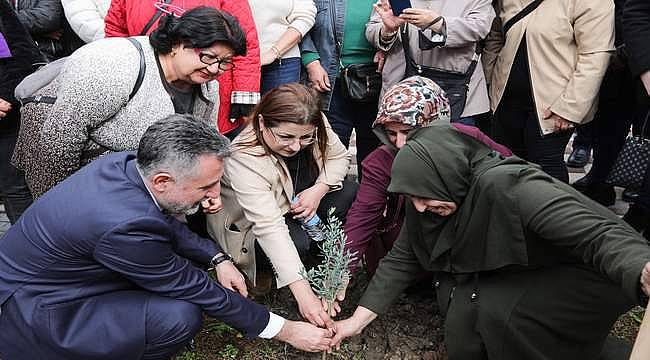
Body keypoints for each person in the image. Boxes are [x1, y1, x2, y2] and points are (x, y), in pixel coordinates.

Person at [0, 114, 333, 360]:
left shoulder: (126, 164)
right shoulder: (124, 227)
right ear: (162, 180)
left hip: (65, 275)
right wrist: (286, 330)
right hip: (38, 308)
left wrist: (216, 257)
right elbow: (195, 287)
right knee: (177, 316)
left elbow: (163, 224)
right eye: (205, 186)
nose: (213, 195)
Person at [332, 123, 650, 359]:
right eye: (411, 197)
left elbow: (597, 235)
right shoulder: (428, 198)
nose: (418, 207)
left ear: (448, 176)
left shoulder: (510, 187)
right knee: (460, 311)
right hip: (515, 269)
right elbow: (402, 259)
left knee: (497, 312)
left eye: (423, 197)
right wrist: (355, 322)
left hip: (577, 272)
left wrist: (641, 268)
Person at [13, 6, 243, 198]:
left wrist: (207, 193)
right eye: (208, 57)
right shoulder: (115, 66)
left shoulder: (206, 83)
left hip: (134, 187)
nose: (214, 68)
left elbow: (202, 144)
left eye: (225, 62)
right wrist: (58, 207)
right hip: (77, 177)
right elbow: (56, 144)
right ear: (176, 44)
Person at [206, 83, 356, 328]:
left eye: (305, 137)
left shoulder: (313, 121)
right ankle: (262, 272)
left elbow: (339, 157)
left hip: (299, 202)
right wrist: (304, 295)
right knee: (297, 243)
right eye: (286, 137)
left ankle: (322, 267)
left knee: (349, 191)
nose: (296, 146)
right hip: (252, 226)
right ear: (263, 123)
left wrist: (319, 190)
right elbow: (269, 227)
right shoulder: (243, 157)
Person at [345, 76, 511, 277]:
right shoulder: (380, 162)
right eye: (391, 133)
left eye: (408, 131)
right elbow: (363, 215)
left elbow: (509, 174)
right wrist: (339, 271)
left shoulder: (468, 140)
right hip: (407, 247)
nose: (399, 143)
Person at [482, 0, 614, 183]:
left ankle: (549, 211)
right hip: (505, 97)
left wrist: (570, 108)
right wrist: (488, 81)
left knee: (545, 167)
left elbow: (595, 55)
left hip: (553, 103)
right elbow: (495, 37)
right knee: (506, 163)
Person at [104, 0, 261, 137]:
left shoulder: (212, 78)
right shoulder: (124, 71)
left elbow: (244, 42)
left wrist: (244, 95)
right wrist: (122, 66)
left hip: (205, 84)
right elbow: (116, 28)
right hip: (145, 77)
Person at [366, 0, 494, 126]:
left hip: (457, 92)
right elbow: (372, 28)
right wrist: (387, 30)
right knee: (400, 145)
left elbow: (481, 27)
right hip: (401, 93)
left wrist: (439, 24)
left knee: (453, 145)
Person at [301, 0, 381, 171]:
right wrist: (311, 62)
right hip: (331, 81)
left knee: (374, 153)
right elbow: (299, 21)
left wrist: (388, 46)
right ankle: (334, 196)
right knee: (332, 148)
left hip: (377, 80)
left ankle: (370, 197)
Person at [0, 0, 44, 224]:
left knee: (14, 187)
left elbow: (24, 56)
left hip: (6, 115)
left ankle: (27, 249)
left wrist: (7, 96)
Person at [247, 0, 316, 94]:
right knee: (241, 108)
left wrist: (274, 52)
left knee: (281, 107)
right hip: (237, 59)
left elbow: (306, 15)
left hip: (283, 61)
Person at [12, 0, 83, 61]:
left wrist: (10, 23)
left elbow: (47, 19)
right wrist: (38, 33)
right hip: (16, 54)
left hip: (48, 55)